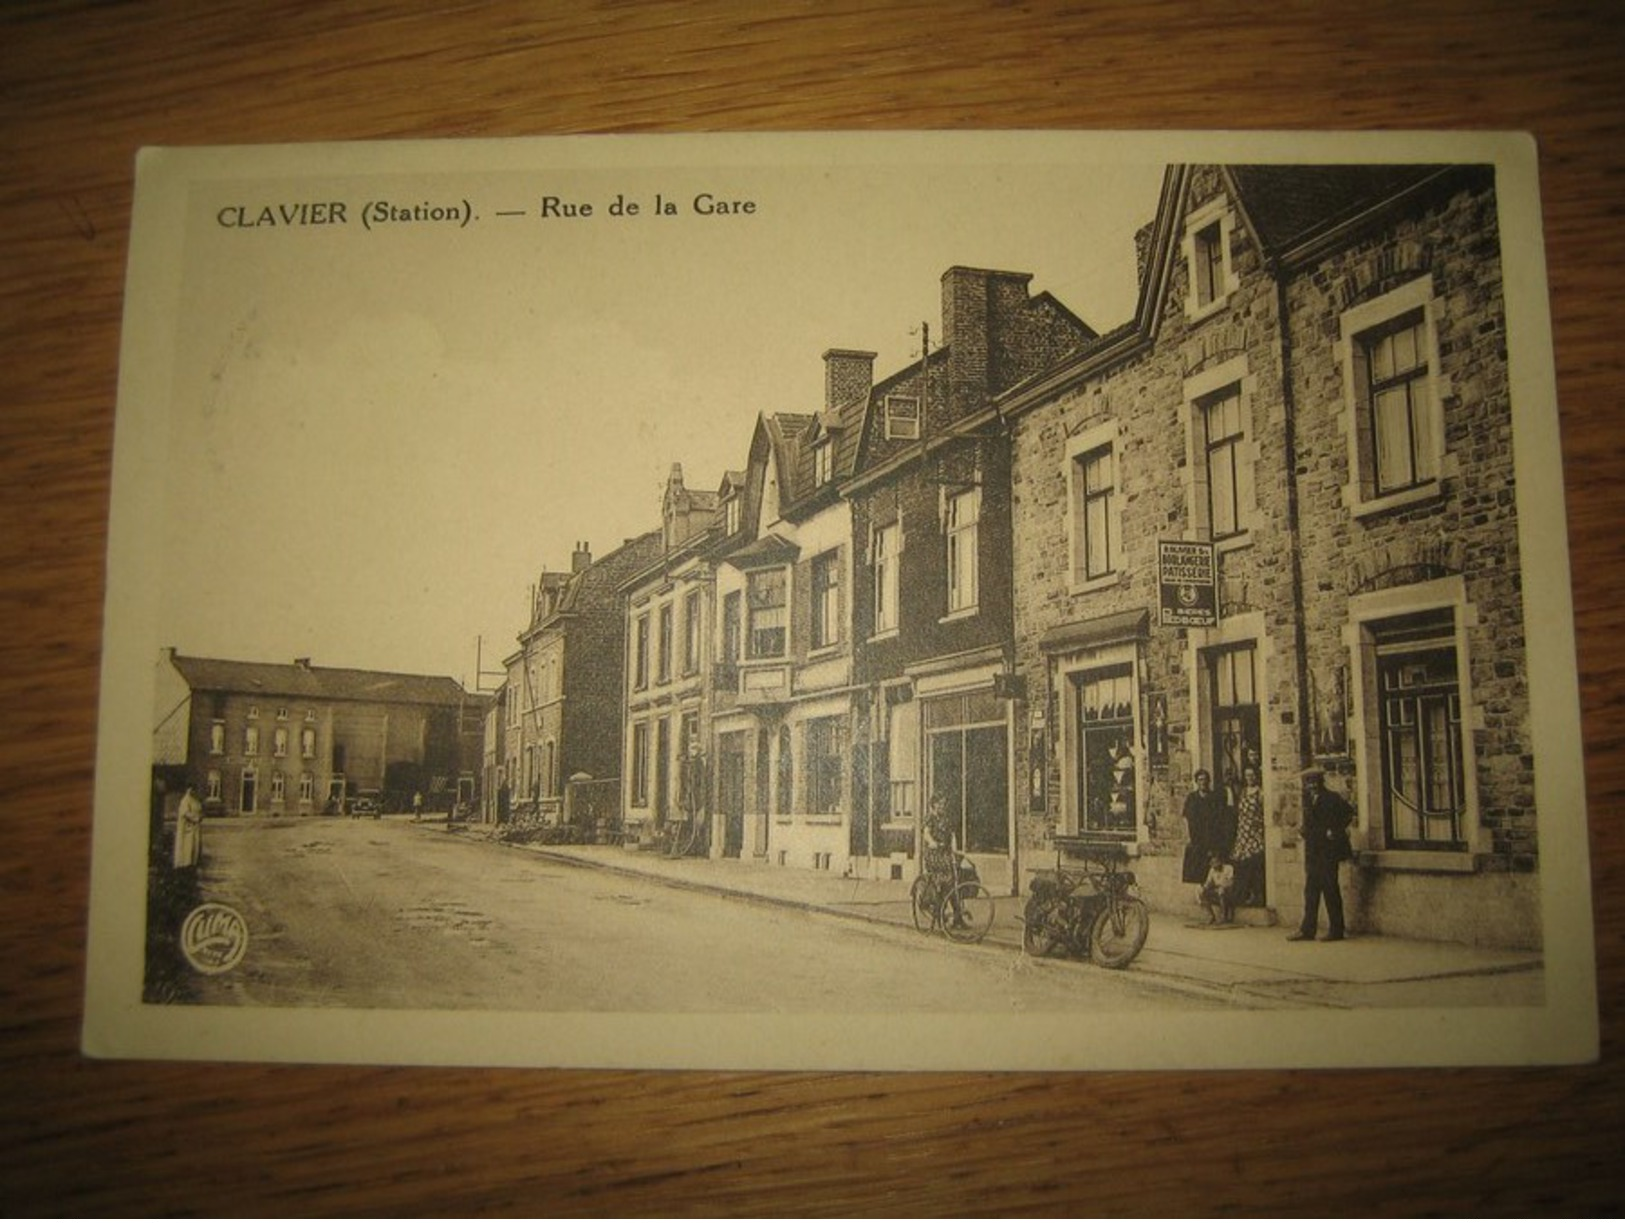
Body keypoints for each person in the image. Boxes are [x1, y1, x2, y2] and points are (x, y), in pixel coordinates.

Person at [1288, 768, 1355, 942]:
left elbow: (1348, 813)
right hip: (1313, 851)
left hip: (1327, 852)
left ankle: (1337, 929)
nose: (1311, 786)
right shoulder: (1309, 800)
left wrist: (1334, 829)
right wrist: (1304, 830)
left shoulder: (1331, 798)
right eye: (1308, 783)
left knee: (1330, 889)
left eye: (1313, 782)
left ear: (1320, 782)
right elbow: (1311, 822)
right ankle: (1307, 930)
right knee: (1311, 891)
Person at [1180, 769, 1230, 886]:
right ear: (1196, 782)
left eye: (1205, 780)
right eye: (1200, 780)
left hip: (1211, 837)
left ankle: (1211, 891)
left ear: (1209, 781)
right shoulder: (1192, 798)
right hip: (1197, 837)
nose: (1203, 782)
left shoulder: (1214, 798)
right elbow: (1186, 818)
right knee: (1198, 866)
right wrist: (1187, 836)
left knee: (1212, 865)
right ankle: (1201, 891)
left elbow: (1220, 818)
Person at [1229, 764, 1266, 909]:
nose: (1250, 778)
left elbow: (1263, 813)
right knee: (1241, 865)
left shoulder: (1261, 792)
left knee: (1254, 863)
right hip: (1243, 833)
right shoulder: (1243, 792)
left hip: (1254, 832)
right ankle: (1243, 895)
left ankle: (1257, 895)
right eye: (1247, 776)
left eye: (1252, 775)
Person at [1199, 853, 1236, 926]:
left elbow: (1231, 882)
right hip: (1217, 889)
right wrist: (1204, 888)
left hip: (1228, 890)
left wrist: (1223, 887)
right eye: (1212, 863)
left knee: (1221, 891)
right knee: (1202, 893)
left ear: (1220, 862)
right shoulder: (1212, 870)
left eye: (1216, 862)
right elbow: (1208, 882)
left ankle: (1223, 917)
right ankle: (1211, 916)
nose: (1214, 865)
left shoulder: (1229, 868)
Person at [173, 785, 203, 871]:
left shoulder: (195, 800)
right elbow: (185, 813)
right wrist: (196, 818)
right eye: (190, 789)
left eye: (193, 789)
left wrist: (200, 816)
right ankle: (184, 864)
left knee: (194, 846)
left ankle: (192, 864)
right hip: (187, 828)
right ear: (187, 789)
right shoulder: (185, 800)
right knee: (187, 847)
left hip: (195, 828)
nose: (192, 791)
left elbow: (199, 809)